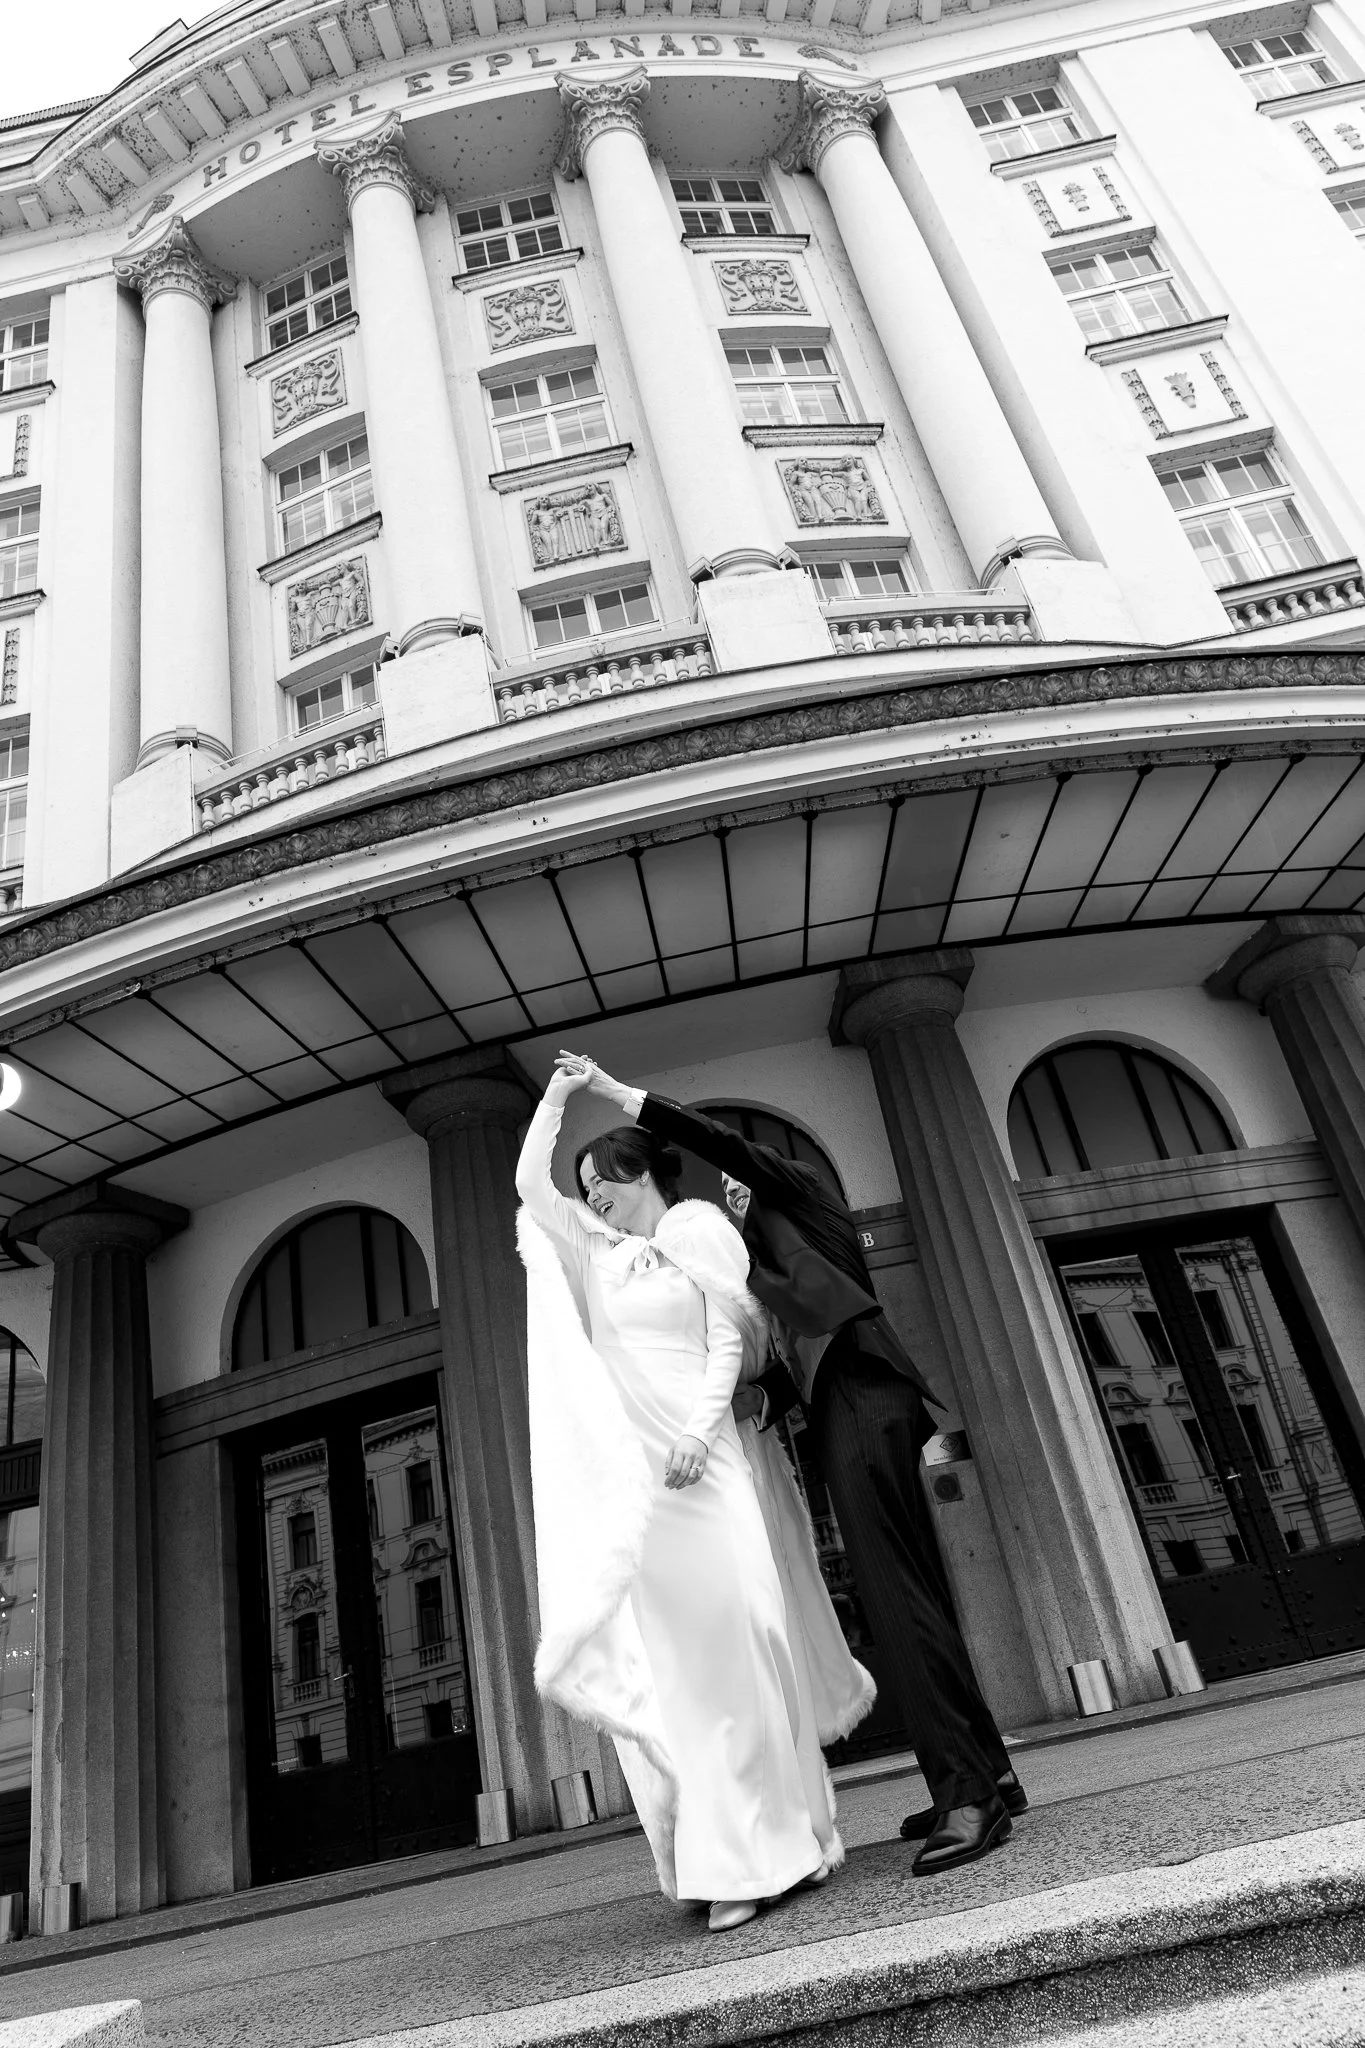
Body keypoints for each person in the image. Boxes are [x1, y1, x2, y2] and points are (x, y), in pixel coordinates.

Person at [562, 1051, 1026, 1877]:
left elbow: (725, 1152)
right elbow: (777, 1355)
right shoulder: (746, 1253)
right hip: (843, 1408)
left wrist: (615, 1093)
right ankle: (987, 1771)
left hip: (866, 1394)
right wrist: (754, 1399)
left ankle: (968, 1795)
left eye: (741, 1181)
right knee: (913, 1593)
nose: (735, 1191)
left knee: (893, 1596)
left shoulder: (804, 1198)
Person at [514, 1058, 875, 1932]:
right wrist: (561, 1098)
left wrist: (695, 1429)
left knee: (747, 1643)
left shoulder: (701, 1230)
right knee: (682, 1676)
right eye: (586, 1187)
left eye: (602, 1182)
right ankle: (728, 1860)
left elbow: (726, 1338)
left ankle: (797, 1835)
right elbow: (530, 1183)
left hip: (705, 1464)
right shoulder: (594, 1253)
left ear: (641, 1174)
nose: (591, 1198)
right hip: (643, 1492)